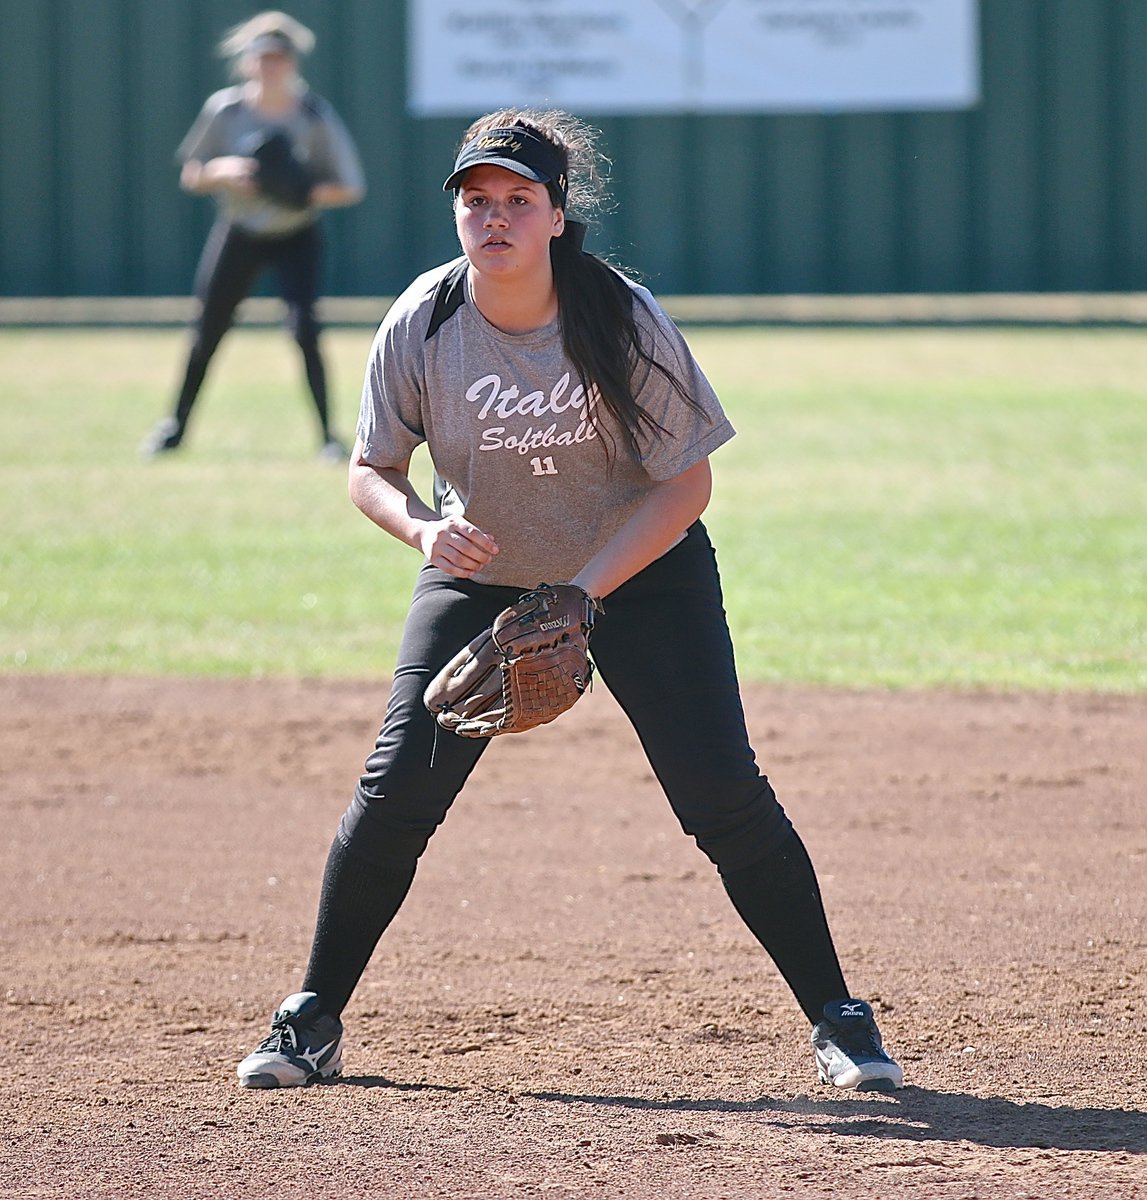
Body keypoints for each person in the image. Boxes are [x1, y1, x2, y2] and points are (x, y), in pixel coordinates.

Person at [235, 109, 904, 1093]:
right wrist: (422, 528)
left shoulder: (617, 316)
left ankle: (838, 1017)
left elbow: (685, 487)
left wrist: (582, 595)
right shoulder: (423, 320)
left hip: (639, 572)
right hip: (481, 570)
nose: (494, 218)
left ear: (556, 216)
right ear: (456, 214)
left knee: (720, 794)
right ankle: (310, 1018)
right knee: (395, 790)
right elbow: (370, 468)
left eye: (518, 200)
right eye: (476, 201)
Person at [142, 11, 365, 460]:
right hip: (239, 231)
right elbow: (193, 173)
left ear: (293, 62)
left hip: (295, 233)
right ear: (247, 63)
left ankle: (328, 436)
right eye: (262, 58)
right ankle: (175, 428)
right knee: (207, 329)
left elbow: (350, 186)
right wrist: (223, 172)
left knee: (305, 329)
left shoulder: (312, 114)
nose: (270, 66)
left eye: (279, 58)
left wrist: (297, 189)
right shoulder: (225, 110)